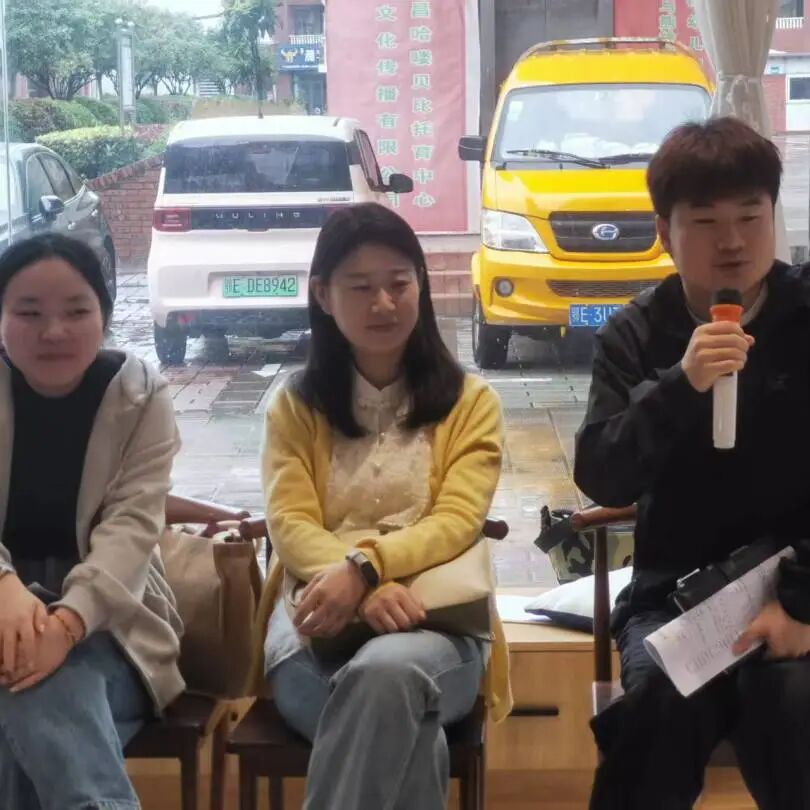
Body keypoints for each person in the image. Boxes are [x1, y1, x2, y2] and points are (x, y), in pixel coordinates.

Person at [574, 116, 810, 809]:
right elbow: (602, 475)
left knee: (794, 703)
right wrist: (681, 385)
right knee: (657, 707)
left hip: (798, 586)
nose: (732, 241)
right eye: (705, 222)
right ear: (664, 231)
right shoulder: (633, 334)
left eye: (750, 217)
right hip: (674, 599)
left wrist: (800, 606)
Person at [247, 202, 511, 810]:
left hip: (437, 629)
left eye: (399, 283)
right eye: (361, 287)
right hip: (314, 627)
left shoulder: (471, 403)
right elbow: (290, 523)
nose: (384, 303)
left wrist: (366, 568)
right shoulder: (295, 406)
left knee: (387, 676)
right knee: (406, 729)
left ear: (421, 284)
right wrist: (354, 589)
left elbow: (457, 521)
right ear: (322, 294)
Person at [0, 234, 183, 809]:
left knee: (37, 685)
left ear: (104, 315)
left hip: (113, 622)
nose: (54, 331)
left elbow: (132, 527)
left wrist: (66, 625)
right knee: (32, 700)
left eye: (77, 311)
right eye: (29, 312)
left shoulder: (140, 397)